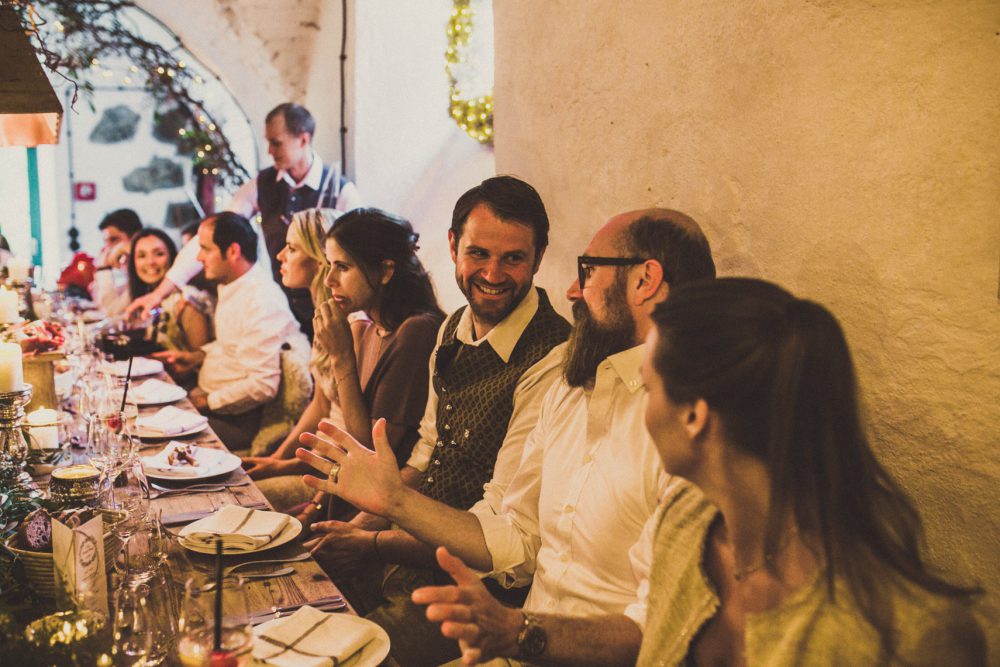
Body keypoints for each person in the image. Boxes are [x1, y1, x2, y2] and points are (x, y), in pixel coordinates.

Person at [385, 278, 987, 666]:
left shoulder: (910, 637)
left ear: (696, 416)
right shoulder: (689, 521)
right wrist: (515, 632)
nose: (634, 404)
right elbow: (650, 635)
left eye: (647, 385)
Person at [297, 209, 716, 666]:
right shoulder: (571, 389)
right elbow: (514, 535)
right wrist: (393, 499)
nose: (574, 290)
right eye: (478, 253)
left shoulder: (691, 428)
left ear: (645, 280)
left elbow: (664, 630)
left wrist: (519, 631)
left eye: (588, 271)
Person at [298, 176, 572, 665]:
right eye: (479, 254)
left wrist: (373, 541)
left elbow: (506, 542)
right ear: (452, 245)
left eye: (514, 258)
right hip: (400, 552)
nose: (493, 273)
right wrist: (357, 527)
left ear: (539, 256)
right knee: (286, 603)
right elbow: (425, 454)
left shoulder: (552, 356)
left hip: (470, 591)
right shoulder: (448, 330)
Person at [243, 208, 445, 515]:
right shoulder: (374, 326)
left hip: (385, 503)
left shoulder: (415, 332)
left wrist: (341, 358)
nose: (330, 279)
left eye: (343, 267)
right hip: (346, 487)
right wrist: (313, 503)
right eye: (330, 265)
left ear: (386, 271)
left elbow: (368, 455)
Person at [126, 103, 362, 338]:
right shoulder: (261, 185)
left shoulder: (341, 192)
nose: (269, 151)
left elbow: (357, 263)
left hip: (333, 314)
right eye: (267, 142)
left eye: (276, 143)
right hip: (285, 310)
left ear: (303, 139)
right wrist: (159, 294)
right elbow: (213, 235)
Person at [154, 212, 306, 452]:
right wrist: (198, 356)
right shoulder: (233, 285)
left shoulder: (261, 300)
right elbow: (232, 346)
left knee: (153, 440)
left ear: (233, 251)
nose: (199, 257)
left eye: (205, 248)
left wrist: (206, 401)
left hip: (238, 422)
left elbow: (264, 384)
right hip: (210, 402)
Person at [126, 228, 212, 353]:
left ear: (173, 257)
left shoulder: (186, 302)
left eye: (159, 254)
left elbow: (199, 361)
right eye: (141, 256)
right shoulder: (143, 299)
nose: (150, 262)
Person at [92, 208, 142, 317]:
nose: (108, 248)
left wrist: (103, 269)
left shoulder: (144, 268)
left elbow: (111, 311)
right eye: (105, 241)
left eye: (114, 239)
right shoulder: (126, 266)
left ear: (135, 237)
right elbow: (101, 306)